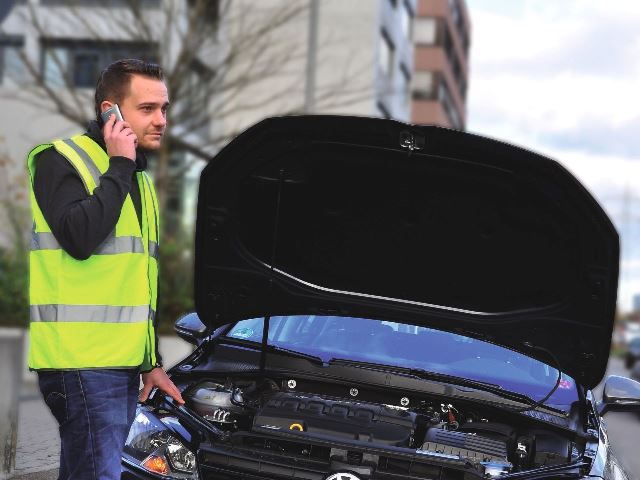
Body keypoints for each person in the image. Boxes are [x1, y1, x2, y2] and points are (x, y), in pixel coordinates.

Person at [26, 59, 184, 480]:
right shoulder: (61, 161)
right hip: (80, 364)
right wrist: (118, 165)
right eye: (147, 108)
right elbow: (80, 239)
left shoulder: (139, 181)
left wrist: (149, 361)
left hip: (118, 366)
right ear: (109, 112)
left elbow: (136, 285)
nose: (161, 120)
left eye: (164, 109)